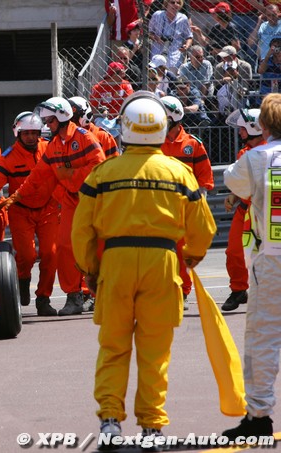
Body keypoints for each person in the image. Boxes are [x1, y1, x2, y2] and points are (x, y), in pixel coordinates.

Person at [71, 91, 216, 444]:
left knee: (114, 346)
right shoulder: (179, 172)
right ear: (162, 129)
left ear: (124, 128)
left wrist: (90, 268)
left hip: (116, 264)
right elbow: (204, 228)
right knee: (155, 350)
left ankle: (109, 420)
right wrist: (191, 258)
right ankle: (152, 424)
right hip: (162, 263)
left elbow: (81, 229)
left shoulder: (103, 173)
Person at [0, 97, 105, 316]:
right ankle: (74, 297)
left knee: (97, 247)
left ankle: (103, 294)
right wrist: (16, 196)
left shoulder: (84, 137)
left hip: (93, 199)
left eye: (50, 121)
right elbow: (37, 176)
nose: (46, 126)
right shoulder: (54, 145)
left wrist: (73, 174)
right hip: (72, 201)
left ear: (61, 118)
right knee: (63, 248)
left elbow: (99, 164)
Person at [221, 92, 281, 440]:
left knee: (263, 338)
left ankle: (259, 415)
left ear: (263, 126)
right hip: (270, 258)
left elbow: (232, 180)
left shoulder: (256, 158)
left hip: (271, 259)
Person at [0, 112, 58, 316]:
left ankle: (43, 299)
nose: (30, 137)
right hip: (21, 211)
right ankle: (23, 279)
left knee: (50, 254)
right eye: (26, 133)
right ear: (17, 133)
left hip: (49, 209)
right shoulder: (9, 157)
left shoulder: (50, 149)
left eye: (34, 133)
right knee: (27, 256)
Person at [160, 95, 214, 307]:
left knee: (182, 252)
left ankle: (182, 291)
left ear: (173, 117)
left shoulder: (193, 144)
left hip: (185, 208)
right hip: (161, 206)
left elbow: (204, 178)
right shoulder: (155, 143)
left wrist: (198, 208)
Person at [221, 108, 265, 312]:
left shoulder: (270, 149)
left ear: (253, 128)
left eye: (242, 129)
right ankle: (239, 290)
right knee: (233, 251)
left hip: (266, 209)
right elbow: (241, 180)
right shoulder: (244, 152)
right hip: (245, 208)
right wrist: (233, 195)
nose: (240, 132)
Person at [148, 0, 193, 71]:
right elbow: (149, 32)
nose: (175, 5)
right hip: (157, 55)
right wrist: (156, 38)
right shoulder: (157, 15)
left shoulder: (183, 18)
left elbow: (189, 36)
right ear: (166, 4)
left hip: (174, 57)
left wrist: (186, 46)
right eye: (172, 2)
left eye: (178, 3)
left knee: (172, 79)